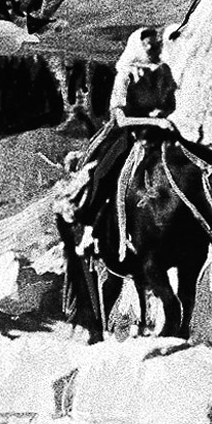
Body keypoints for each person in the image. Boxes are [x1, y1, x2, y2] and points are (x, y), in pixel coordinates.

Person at [70, 26, 181, 262]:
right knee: (102, 175)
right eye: (148, 45)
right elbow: (120, 119)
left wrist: (166, 114)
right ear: (138, 48)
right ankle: (90, 229)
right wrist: (154, 121)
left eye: (155, 44)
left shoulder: (162, 71)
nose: (153, 49)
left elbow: (171, 101)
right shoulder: (124, 76)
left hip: (163, 131)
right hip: (132, 134)